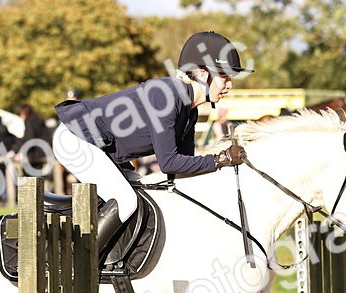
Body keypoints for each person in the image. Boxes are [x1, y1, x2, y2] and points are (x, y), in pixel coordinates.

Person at [52, 31, 250, 253]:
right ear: (203, 75)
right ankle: (75, 262)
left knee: (145, 193)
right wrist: (220, 159)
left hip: (102, 148)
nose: (230, 85)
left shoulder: (189, 112)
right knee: (126, 201)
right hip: (75, 138)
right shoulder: (166, 95)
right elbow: (169, 163)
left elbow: (183, 170)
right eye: (225, 77)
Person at [16, 103, 50, 175]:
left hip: (33, 155)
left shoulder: (29, 122)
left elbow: (29, 139)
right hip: (42, 152)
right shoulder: (39, 120)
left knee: (29, 179)